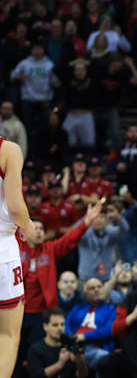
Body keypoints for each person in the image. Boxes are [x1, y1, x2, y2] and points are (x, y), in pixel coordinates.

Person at [16, 206, 101, 369]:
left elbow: (70, 238)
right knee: (16, 353)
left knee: (38, 354)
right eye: (35, 228)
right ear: (25, 233)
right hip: (18, 311)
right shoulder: (16, 248)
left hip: (42, 314)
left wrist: (87, 221)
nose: (39, 231)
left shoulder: (50, 249)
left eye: (41, 228)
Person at [0, 137, 36, 378]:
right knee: (8, 335)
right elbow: (14, 207)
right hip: (2, 250)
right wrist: (28, 225)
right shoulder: (8, 149)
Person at [65, 278, 116, 369]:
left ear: (104, 289)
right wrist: (70, 339)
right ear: (85, 294)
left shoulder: (111, 309)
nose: (96, 289)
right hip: (74, 346)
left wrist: (84, 336)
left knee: (105, 358)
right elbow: (66, 325)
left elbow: (110, 330)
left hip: (97, 347)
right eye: (92, 288)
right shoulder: (77, 309)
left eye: (99, 287)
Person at [27, 307, 88, 378]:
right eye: (55, 325)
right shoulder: (35, 349)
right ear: (45, 326)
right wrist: (60, 364)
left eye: (62, 324)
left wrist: (79, 361)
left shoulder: (71, 346)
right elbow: (36, 376)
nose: (60, 328)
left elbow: (83, 375)